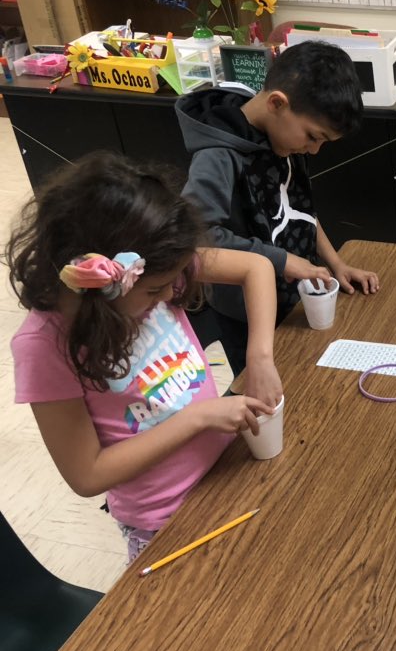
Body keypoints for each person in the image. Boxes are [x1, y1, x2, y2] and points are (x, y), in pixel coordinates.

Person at [7, 151, 283, 563]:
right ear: (101, 288)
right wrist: (200, 416)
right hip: (165, 520)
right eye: (155, 292)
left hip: (226, 470)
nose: (172, 296)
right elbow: (88, 474)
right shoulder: (44, 345)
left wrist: (259, 356)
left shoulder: (157, 266)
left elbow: (256, 268)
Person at [176, 40, 380, 376]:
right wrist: (284, 261)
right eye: (314, 137)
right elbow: (197, 240)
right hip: (246, 314)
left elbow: (299, 210)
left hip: (295, 293)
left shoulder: (282, 136)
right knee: (268, 389)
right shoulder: (217, 157)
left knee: (307, 374)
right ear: (276, 103)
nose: (313, 151)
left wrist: (337, 263)